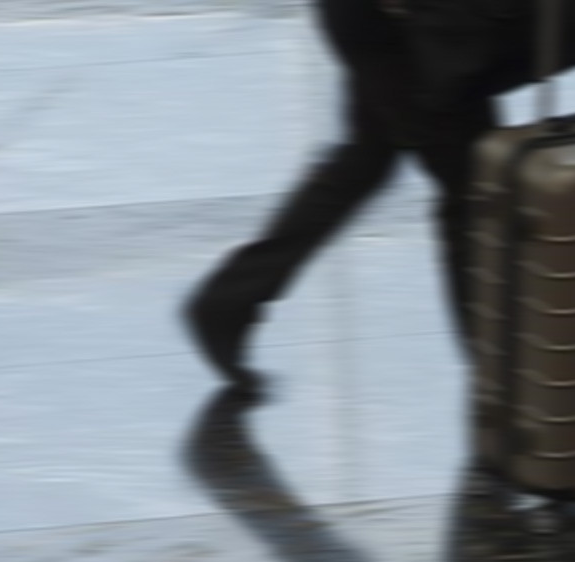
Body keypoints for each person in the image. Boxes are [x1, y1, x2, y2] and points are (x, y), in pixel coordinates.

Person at [183, 0, 575, 395]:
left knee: (368, 160)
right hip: (412, 39)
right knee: (474, 196)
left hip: (398, 28)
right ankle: (500, 382)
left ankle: (229, 301)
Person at [183, 0, 496, 393]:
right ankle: (499, 373)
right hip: (408, 26)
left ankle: (230, 301)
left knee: (368, 158)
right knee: (474, 184)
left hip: (385, 21)